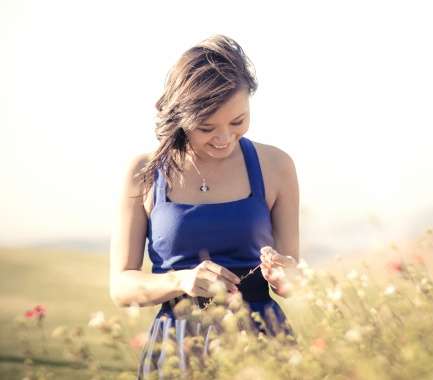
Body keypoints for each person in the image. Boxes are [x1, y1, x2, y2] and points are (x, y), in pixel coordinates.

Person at [108, 34, 301, 377]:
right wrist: (180, 281)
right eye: (207, 127)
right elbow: (121, 287)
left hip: (262, 347)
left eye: (238, 122)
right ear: (181, 116)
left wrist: (285, 274)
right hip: (177, 350)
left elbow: (293, 282)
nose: (224, 137)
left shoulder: (277, 165)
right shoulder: (144, 172)